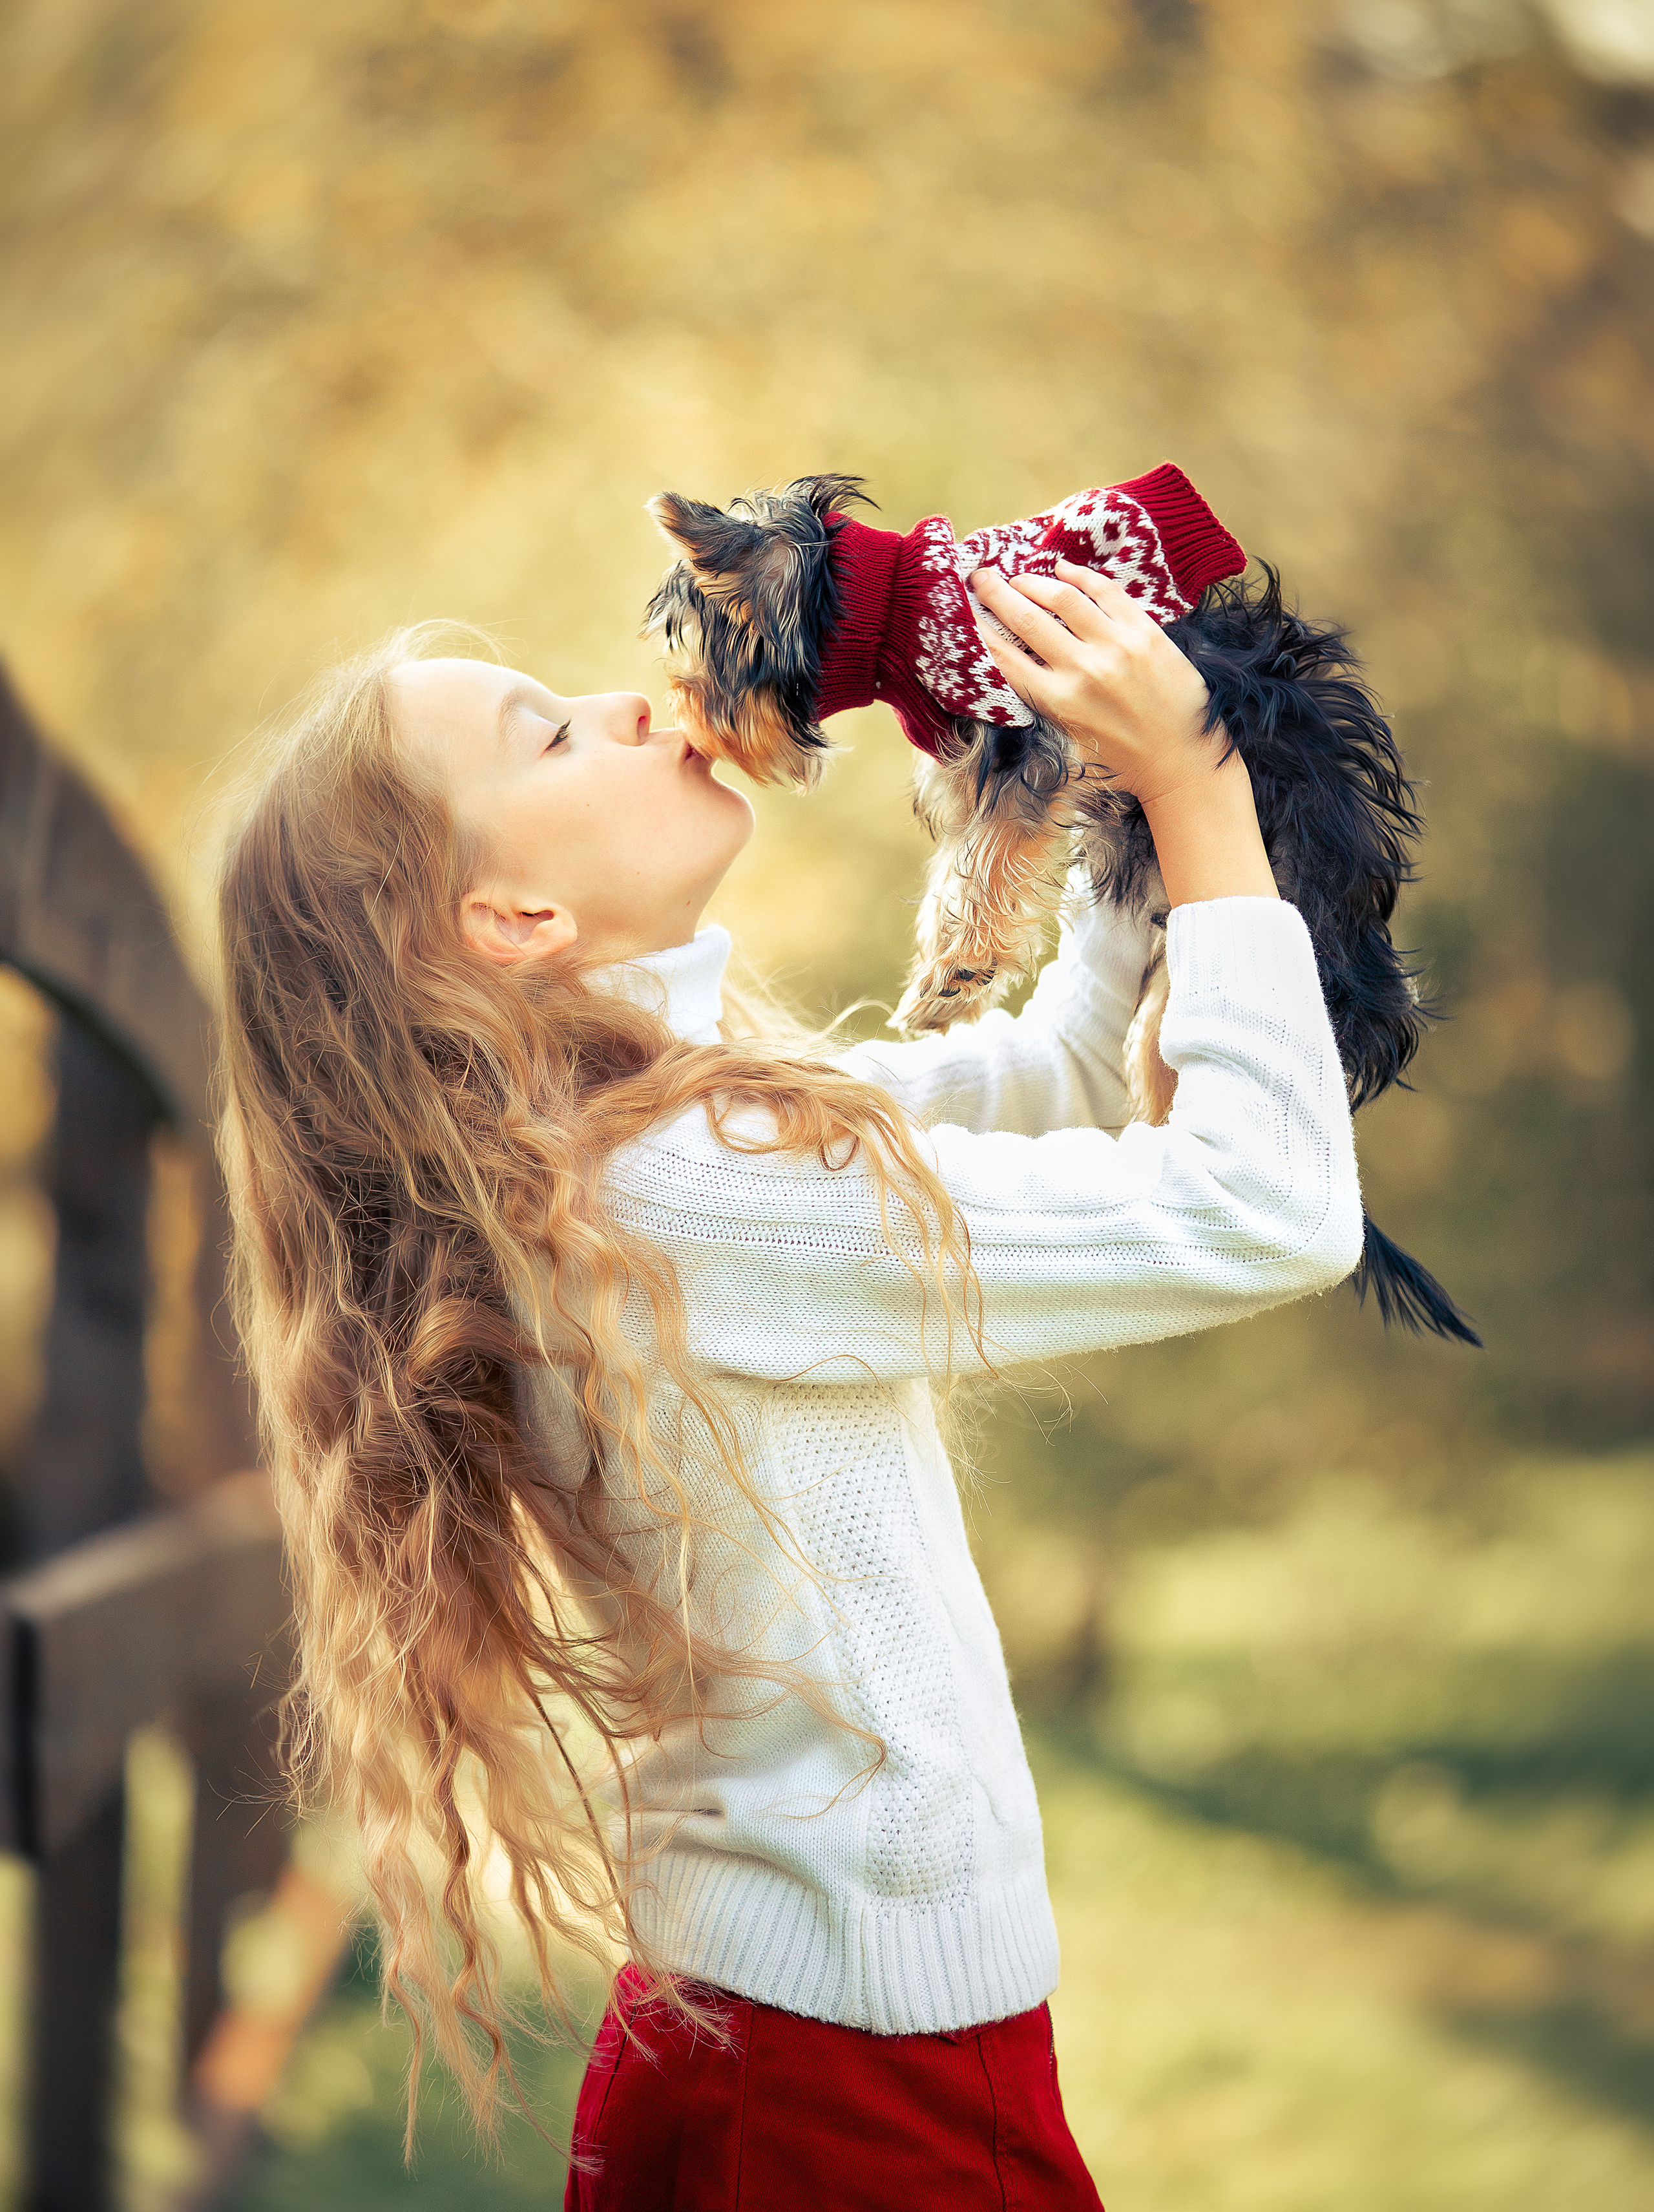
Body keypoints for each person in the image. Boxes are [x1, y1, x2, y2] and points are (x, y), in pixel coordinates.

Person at [216, 558, 1363, 2208]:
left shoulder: (624, 1142)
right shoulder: (675, 1178)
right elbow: (1266, 1209)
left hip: (780, 2029)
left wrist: (1112, 768)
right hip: (850, 2073)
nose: (625, 700)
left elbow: (1046, 1076)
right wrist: (1193, 779)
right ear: (514, 921)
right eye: (547, 736)